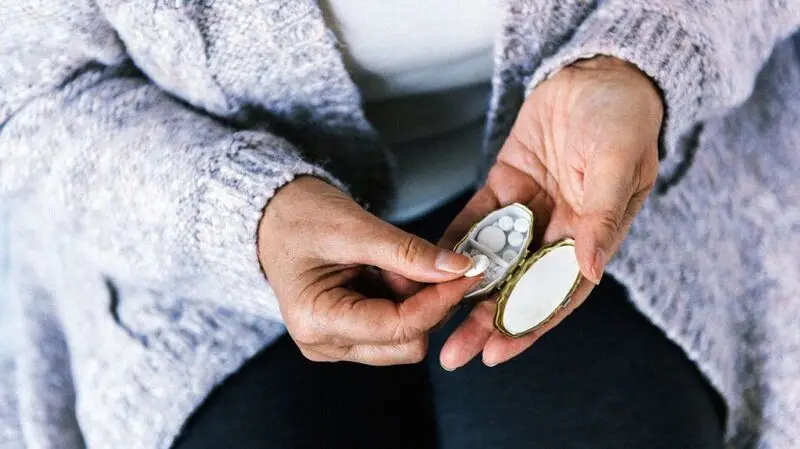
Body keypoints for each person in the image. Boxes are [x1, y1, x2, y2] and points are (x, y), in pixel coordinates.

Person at [0, 1, 798, 448]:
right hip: (187, 245)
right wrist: (246, 216)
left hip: (632, 191)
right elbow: (29, 92)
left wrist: (646, 59)